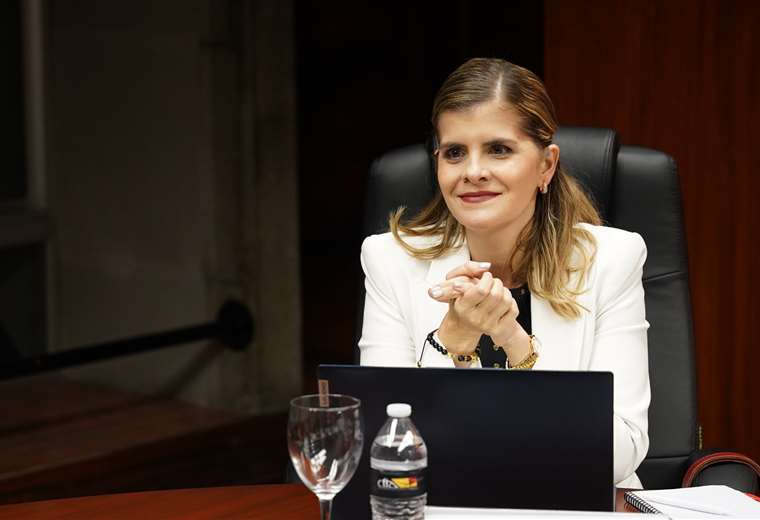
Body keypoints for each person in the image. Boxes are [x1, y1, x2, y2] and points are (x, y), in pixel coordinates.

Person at [358, 58, 650, 488]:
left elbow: (619, 455)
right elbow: (388, 449)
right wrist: (449, 342)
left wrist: (516, 345)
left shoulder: (611, 260)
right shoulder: (390, 261)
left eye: (499, 149)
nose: (473, 171)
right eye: (455, 152)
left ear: (546, 165)